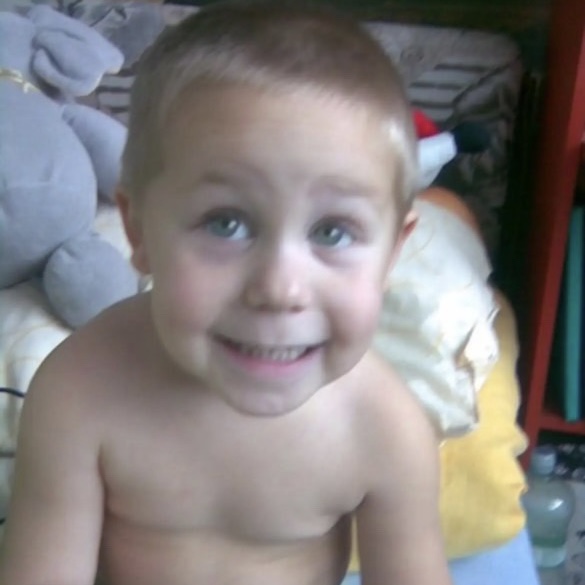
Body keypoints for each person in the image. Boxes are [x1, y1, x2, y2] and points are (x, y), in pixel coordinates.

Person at [0, 2, 454, 584]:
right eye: (226, 223)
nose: (280, 289)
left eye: (332, 232)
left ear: (391, 254)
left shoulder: (385, 428)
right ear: (139, 232)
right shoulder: (79, 391)